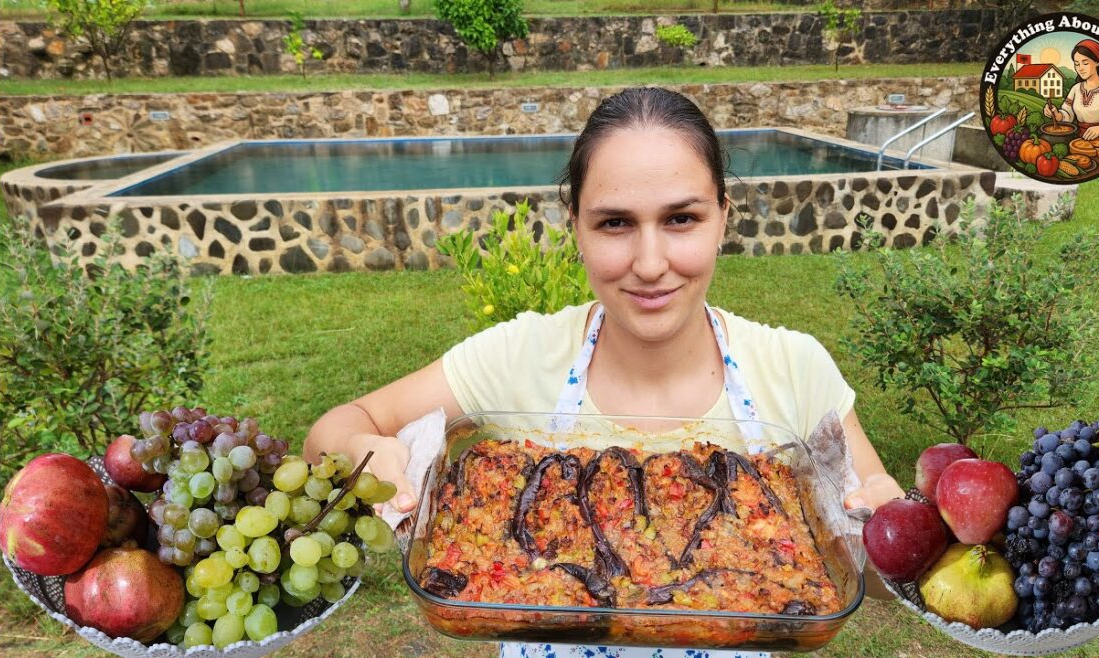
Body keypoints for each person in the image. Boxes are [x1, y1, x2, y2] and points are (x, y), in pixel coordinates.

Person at [304, 87, 905, 658]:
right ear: (576, 227)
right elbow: (334, 431)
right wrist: (362, 451)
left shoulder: (795, 370)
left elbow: (872, 574)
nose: (650, 263)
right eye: (615, 223)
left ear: (724, 217)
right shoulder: (518, 355)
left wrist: (893, 533)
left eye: (681, 218)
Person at [1042, 39, 1099, 141]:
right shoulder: (1076, 88)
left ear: (1097, 62)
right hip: (1076, 138)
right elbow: (1068, 114)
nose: (1080, 68)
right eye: (1077, 64)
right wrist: (1057, 114)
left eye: (1085, 63)